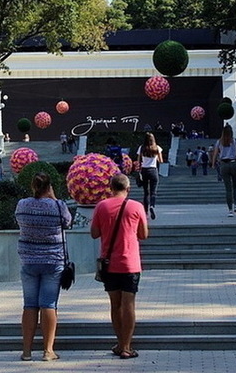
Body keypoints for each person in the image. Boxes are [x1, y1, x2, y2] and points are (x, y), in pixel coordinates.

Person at [90, 174, 148, 360]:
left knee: (115, 305)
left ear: (111, 188)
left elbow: (94, 233)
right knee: (129, 304)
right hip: (130, 263)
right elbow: (143, 234)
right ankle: (126, 346)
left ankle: (119, 342)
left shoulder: (102, 206)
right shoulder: (136, 207)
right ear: (128, 188)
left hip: (109, 264)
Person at [15, 172, 72, 362]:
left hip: (29, 261)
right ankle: (48, 351)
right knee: (48, 304)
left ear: (32, 186)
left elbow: (19, 221)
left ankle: (26, 351)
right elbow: (67, 222)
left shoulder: (22, 205)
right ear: (49, 187)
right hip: (52, 260)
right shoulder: (58, 205)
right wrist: (54, 198)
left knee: (29, 305)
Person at [210, 125, 236, 217]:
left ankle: (230, 210)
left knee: (228, 189)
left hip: (224, 165)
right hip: (234, 163)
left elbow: (215, 154)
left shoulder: (219, 142)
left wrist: (213, 164)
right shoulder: (235, 141)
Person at [136, 132, 163, 220]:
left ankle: (146, 212)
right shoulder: (157, 148)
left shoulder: (142, 148)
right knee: (153, 192)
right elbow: (161, 161)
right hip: (153, 170)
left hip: (144, 170)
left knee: (145, 192)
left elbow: (138, 161)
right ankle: (152, 206)